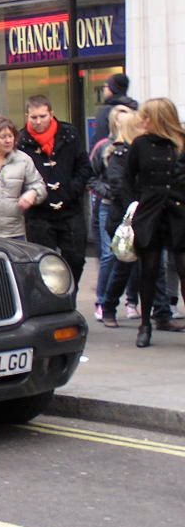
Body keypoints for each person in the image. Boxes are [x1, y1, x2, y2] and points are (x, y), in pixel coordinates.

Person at [97, 110, 179, 331]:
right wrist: (135, 208)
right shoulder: (123, 152)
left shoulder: (160, 148)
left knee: (156, 267)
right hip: (128, 217)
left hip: (150, 215)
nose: (144, 126)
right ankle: (109, 307)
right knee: (124, 264)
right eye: (140, 123)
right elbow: (120, 183)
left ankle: (160, 313)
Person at [124, 97, 185, 347]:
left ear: (159, 119)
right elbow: (128, 179)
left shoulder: (180, 143)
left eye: (146, 117)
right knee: (148, 271)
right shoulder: (140, 144)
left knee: (183, 268)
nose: (142, 121)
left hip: (178, 213)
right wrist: (132, 208)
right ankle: (145, 324)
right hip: (149, 214)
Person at [17, 95, 91, 289]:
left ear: (51, 114)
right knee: (43, 262)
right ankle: (50, 301)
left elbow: (84, 167)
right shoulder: (21, 141)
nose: (38, 121)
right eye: (33, 117)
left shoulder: (69, 134)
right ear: (27, 116)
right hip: (39, 213)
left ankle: (69, 296)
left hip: (70, 209)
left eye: (42, 116)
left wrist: (72, 190)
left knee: (76, 258)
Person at [89, 104, 134, 319]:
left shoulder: (137, 146)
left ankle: (132, 301)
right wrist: (106, 191)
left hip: (132, 207)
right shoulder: (104, 147)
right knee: (111, 255)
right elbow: (91, 176)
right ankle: (102, 301)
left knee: (135, 257)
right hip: (110, 205)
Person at [93, 73, 137, 148]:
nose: (104, 89)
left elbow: (100, 139)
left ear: (112, 88)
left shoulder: (105, 111)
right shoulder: (134, 107)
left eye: (105, 86)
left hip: (111, 153)